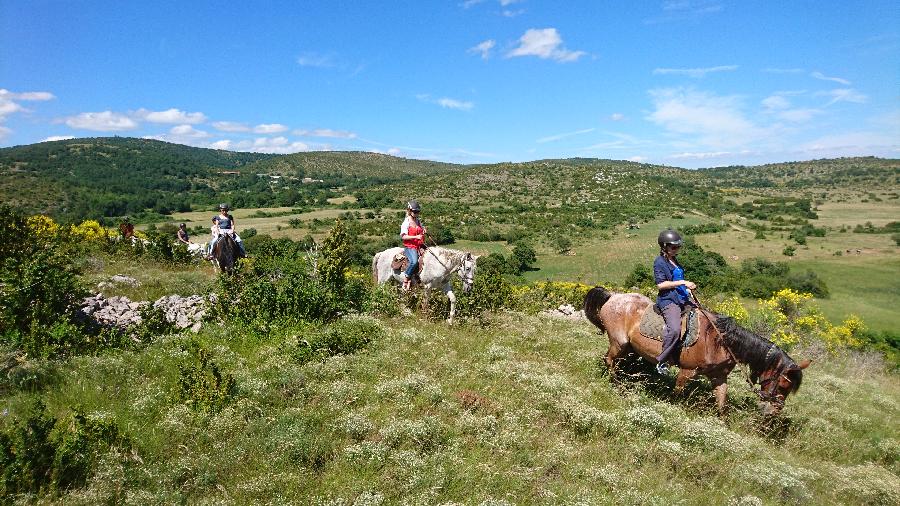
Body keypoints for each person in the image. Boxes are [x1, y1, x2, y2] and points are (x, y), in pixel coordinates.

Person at [653, 229, 696, 375]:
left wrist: (687, 290)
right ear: (664, 246)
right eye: (673, 247)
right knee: (675, 329)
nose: (676, 249)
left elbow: (677, 279)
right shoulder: (659, 262)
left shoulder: (674, 260)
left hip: (682, 296)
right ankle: (662, 361)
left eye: (678, 247)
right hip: (668, 300)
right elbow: (661, 285)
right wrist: (683, 282)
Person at [399, 200, 426, 290]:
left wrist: (424, 231)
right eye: (415, 211)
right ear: (410, 211)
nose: (417, 213)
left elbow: (421, 230)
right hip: (410, 246)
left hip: (419, 245)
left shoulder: (418, 221)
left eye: (418, 212)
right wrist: (416, 237)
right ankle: (406, 279)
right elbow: (403, 236)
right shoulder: (406, 222)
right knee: (414, 261)